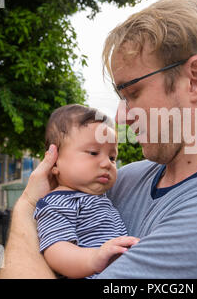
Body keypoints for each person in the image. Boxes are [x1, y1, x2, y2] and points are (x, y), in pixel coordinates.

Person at [0, 0, 197, 279]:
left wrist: (27, 206)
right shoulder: (126, 181)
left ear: (195, 79)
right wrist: (34, 200)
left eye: (132, 92)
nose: (121, 117)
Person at [33, 104, 139, 278]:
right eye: (93, 152)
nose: (107, 163)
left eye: (112, 157)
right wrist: (94, 258)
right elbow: (56, 250)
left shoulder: (99, 196)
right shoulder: (57, 203)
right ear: (55, 161)